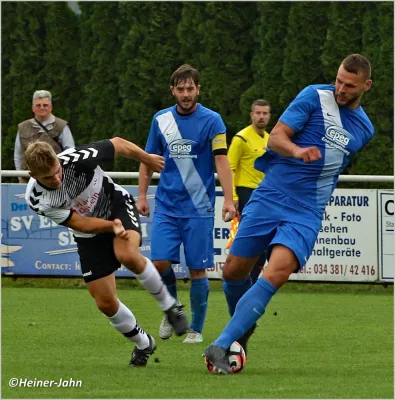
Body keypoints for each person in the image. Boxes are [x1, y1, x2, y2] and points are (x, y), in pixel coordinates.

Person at [204, 54, 374, 373]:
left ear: (366, 86)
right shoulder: (313, 96)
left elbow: (333, 167)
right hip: (270, 195)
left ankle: (223, 344)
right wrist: (297, 150)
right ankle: (242, 333)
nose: (340, 89)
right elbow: (278, 136)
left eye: (349, 86)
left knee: (275, 273)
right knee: (233, 273)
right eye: (338, 80)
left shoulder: (364, 129)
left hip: (307, 211)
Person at [24, 137, 188, 367]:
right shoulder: (36, 199)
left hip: (116, 205)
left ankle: (171, 306)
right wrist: (110, 227)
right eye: (48, 178)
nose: (57, 179)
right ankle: (144, 344)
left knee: (128, 255)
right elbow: (79, 223)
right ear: (33, 176)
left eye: (57, 171)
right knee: (105, 303)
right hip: (89, 233)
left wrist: (147, 159)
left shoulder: (76, 159)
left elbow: (118, 144)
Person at [137, 64, 236, 344]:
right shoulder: (161, 120)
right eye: (180, 89)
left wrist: (228, 199)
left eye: (190, 88)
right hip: (167, 206)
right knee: (158, 263)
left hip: (199, 207)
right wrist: (142, 196)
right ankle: (173, 311)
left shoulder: (213, 121)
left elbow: (221, 159)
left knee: (196, 269)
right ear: (172, 91)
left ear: (198, 90)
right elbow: (148, 160)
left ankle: (196, 328)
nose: (185, 94)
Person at [227, 99, 271, 284]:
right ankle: (239, 280)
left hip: (266, 195)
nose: (261, 117)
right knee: (250, 240)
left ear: (269, 116)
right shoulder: (241, 138)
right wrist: (234, 197)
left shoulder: (269, 139)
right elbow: (229, 167)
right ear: (251, 114)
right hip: (246, 193)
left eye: (265, 113)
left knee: (265, 242)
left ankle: (250, 281)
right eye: (258, 113)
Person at [15, 90, 75, 183]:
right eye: (38, 105)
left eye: (45, 105)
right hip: (28, 179)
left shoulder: (61, 126)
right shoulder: (23, 127)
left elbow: (71, 152)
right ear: (33, 108)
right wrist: (20, 177)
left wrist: (66, 176)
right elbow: (18, 155)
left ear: (50, 107)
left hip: (55, 180)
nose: (42, 108)